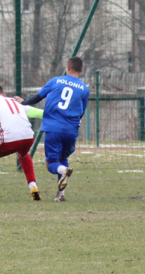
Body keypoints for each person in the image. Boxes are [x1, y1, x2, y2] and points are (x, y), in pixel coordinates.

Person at [17, 57, 90, 202]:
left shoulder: (56, 81)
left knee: (52, 164)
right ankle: (60, 195)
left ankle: (63, 170)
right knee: (63, 158)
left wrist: (23, 102)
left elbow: (38, 97)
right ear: (81, 70)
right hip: (71, 130)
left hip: (53, 128)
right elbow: (82, 112)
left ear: (67, 67)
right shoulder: (84, 89)